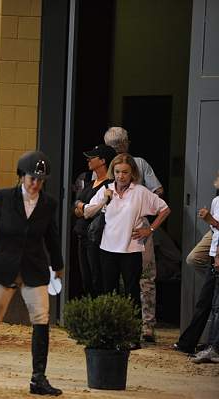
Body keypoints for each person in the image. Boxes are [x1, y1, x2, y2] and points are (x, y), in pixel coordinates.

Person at [0, 151, 64, 396]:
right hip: (3, 266)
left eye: (40, 180)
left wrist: (58, 265)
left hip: (34, 267)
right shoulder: (3, 197)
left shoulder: (48, 204)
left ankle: (38, 378)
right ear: (21, 176)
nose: (36, 184)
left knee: (41, 319)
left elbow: (51, 237)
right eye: (32, 178)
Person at [84, 153, 170, 348]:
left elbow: (164, 209)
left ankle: (131, 336)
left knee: (131, 293)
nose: (121, 176)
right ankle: (109, 335)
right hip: (107, 248)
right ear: (112, 172)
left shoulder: (140, 192)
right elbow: (88, 212)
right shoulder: (106, 189)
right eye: (117, 172)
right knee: (109, 292)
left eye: (125, 172)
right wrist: (103, 201)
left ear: (132, 174)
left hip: (131, 250)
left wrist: (150, 229)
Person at [103, 126, 163, 341]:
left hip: (138, 226)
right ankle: (122, 325)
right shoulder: (109, 167)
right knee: (118, 280)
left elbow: (158, 192)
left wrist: (139, 197)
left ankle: (146, 325)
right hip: (114, 229)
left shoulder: (139, 163)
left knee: (144, 277)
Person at [73, 144, 115, 297]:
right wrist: (83, 207)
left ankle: (99, 313)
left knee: (96, 277)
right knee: (86, 279)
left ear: (103, 161)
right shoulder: (91, 183)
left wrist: (82, 207)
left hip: (96, 237)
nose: (88, 160)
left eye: (93, 157)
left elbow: (90, 213)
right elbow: (76, 207)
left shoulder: (109, 185)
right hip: (82, 235)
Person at [191, 178, 219, 364]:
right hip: (214, 255)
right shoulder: (216, 201)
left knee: (217, 306)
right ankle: (212, 346)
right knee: (210, 302)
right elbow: (216, 231)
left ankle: (214, 348)